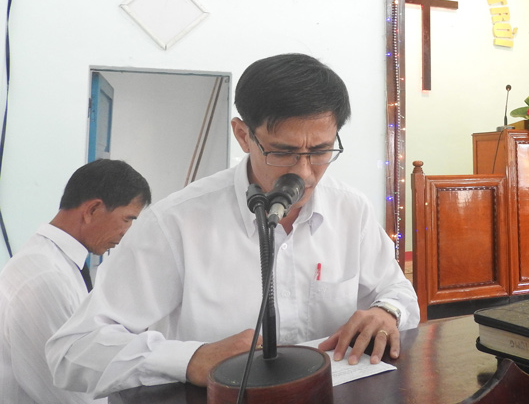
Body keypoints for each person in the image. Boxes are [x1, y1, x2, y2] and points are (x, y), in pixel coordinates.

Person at [47, 53, 419, 397]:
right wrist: (192, 359)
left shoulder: (351, 209)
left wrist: (386, 311)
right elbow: (72, 352)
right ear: (243, 135)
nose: (305, 173)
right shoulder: (176, 223)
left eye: (321, 151)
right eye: (283, 152)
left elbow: (398, 292)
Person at [0, 158, 151, 404]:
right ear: (93, 210)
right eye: (127, 219)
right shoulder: (45, 278)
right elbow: (63, 388)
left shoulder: (59, 263)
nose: (126, 233)